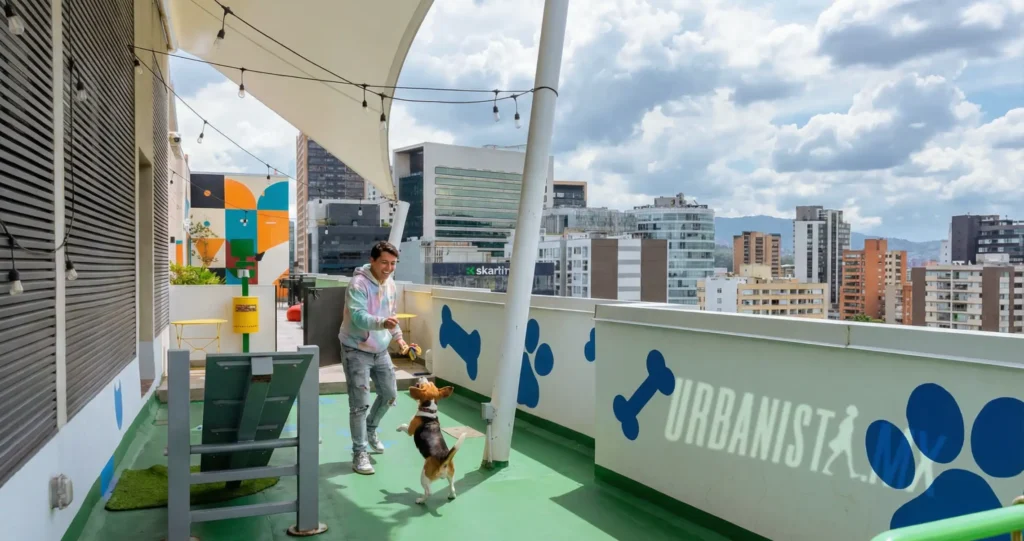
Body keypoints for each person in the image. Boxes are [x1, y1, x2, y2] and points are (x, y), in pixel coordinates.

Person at [338, 240, 416, 474]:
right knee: (359, 405)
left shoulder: (390, 284)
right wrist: (383, 323)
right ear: (372, 260)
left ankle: (371, 429)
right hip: (355, 349)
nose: (389, 268)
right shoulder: (358, 284)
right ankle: (359, 453)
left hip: (380, 350)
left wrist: (400, 340)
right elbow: (359, 317)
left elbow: (391, 315)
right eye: (384, 262)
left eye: (393, 263)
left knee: (390, 394)